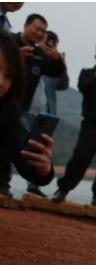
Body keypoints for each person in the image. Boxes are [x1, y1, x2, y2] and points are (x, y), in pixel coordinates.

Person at [0, 12, 64, 197]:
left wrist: (43, 168)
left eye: (9, 75)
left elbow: (29, 167)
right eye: (37, 28)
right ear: (26, 25)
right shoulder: (8, 42)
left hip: (22, 108)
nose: (1, 82)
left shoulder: (7, 113)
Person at [52, 42, 96, 208]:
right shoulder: (87, 73)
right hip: (91, 123)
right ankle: (63, 189)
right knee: (81, 156)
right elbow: (83, 87)